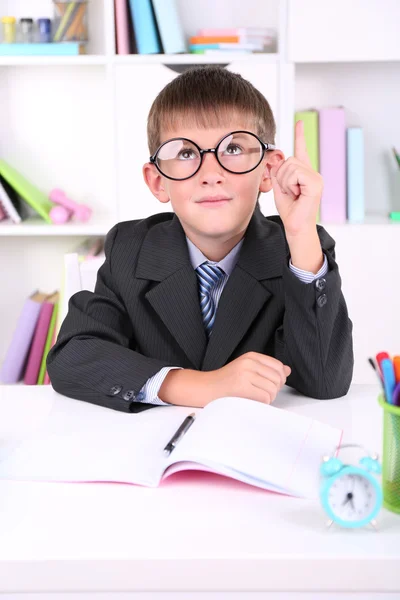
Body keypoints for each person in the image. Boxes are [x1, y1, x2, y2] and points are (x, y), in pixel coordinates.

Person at [47, 66, 353, 413]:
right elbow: (73, 354)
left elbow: (325, 381)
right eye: (186, 153)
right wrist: (201, 386)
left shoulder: (300, 249)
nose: (211, 175)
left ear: (268, 170)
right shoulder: (130, 247)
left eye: (234, 149)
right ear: (158, 181)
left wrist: (299, 233)